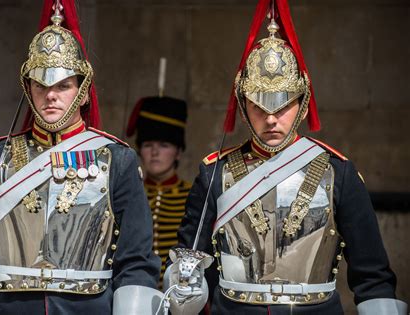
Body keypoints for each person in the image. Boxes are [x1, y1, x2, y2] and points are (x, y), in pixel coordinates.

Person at [164, 0, 407, 314]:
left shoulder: (338, 172)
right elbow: (189, 260)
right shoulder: (214, 173)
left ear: (301, 103)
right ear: (243, 105)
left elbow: (372, 276)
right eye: (259, 106)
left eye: (282, 105)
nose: (270, 118)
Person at [0, 1, 160, 314]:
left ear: (82, 92)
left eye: (63, 85)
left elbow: (135, 261)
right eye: (41, 85)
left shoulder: (117, 159)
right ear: (28, 88)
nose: (50, 95)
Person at [126, 96, 191, 288]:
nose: (155, 152)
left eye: (164, 145)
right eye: (147, 145)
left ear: (178, 152)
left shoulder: (192, 195)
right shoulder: (129, 193)